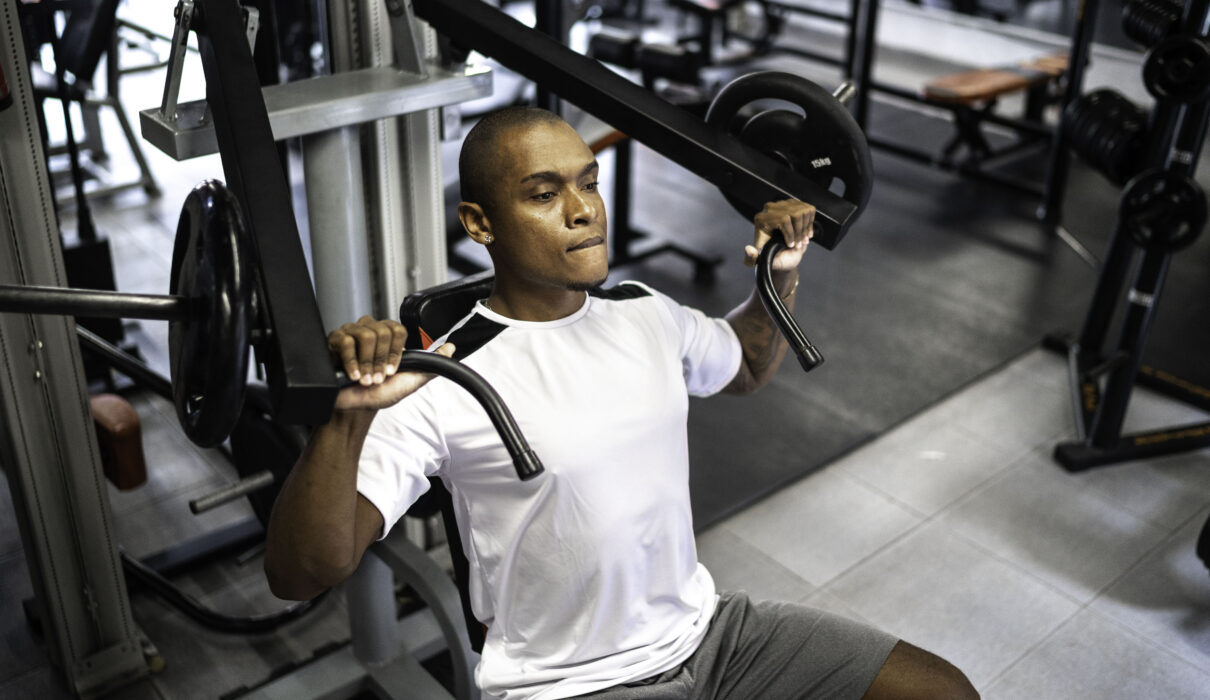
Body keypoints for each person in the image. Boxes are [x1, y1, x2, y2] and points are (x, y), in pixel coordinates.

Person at [264, 107, 978, 700]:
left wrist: (778, 275)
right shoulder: (445, 374)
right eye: (544, 195)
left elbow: (747, 365)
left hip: (715, 635)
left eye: (588, 184)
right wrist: (348, 419)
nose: (582, 212)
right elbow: (301, 572)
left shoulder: (643, 311)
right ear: (480, 224)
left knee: (942, 693)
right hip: (574, 686)